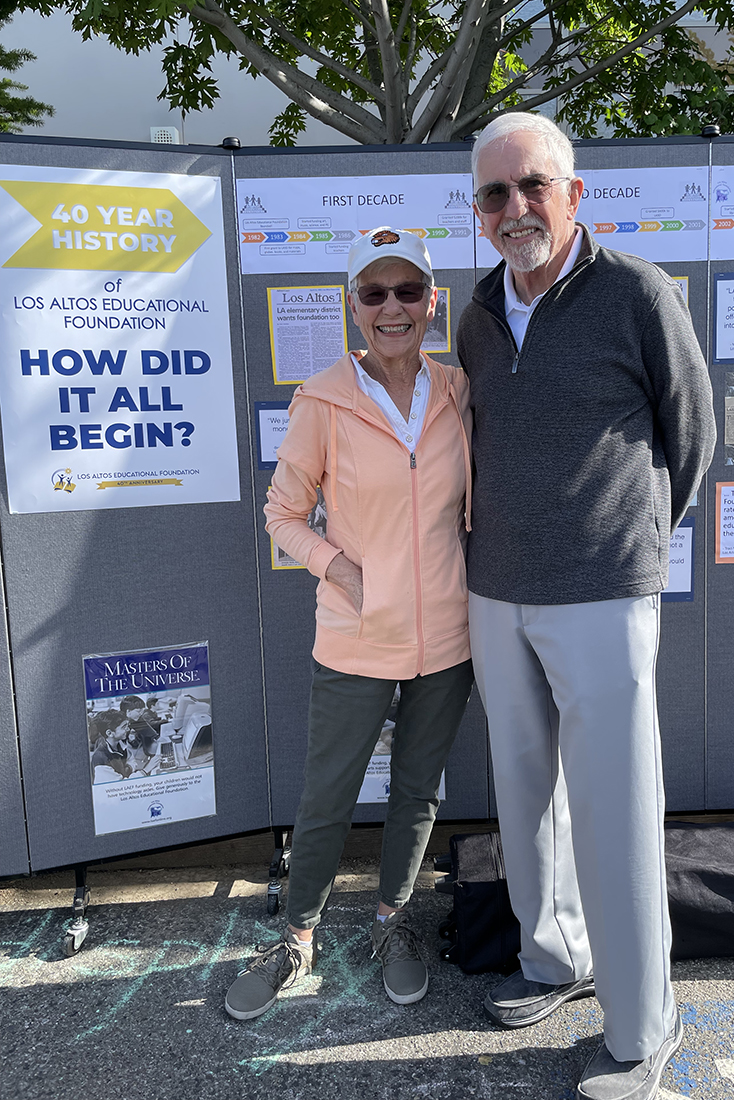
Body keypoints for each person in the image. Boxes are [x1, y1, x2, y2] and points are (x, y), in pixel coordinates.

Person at [457, 113, 716, 1100]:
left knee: (617, 807)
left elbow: (687, 433)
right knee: (525, 791)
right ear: (478, 211)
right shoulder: (477, 311)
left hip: (603, 591)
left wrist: (626, 543)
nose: (515, 208)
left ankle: (644, 1022)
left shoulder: (636, 294)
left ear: (574, 194)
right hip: (496, 587)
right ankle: (554, 960)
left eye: (533, 186)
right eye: (495, 193)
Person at [224, 227, 474, 1020]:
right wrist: (343, 571)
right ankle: (297, 939)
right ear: (353, 308)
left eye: (409, 291)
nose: (393, 307)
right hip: (357, 634)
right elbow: (282, 514)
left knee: (417, 793)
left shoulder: (461, 391)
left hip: (449, 637)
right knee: (328, 796)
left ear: (434, 302)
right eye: (375, 293)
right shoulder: (322, 400)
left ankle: (391, 923)